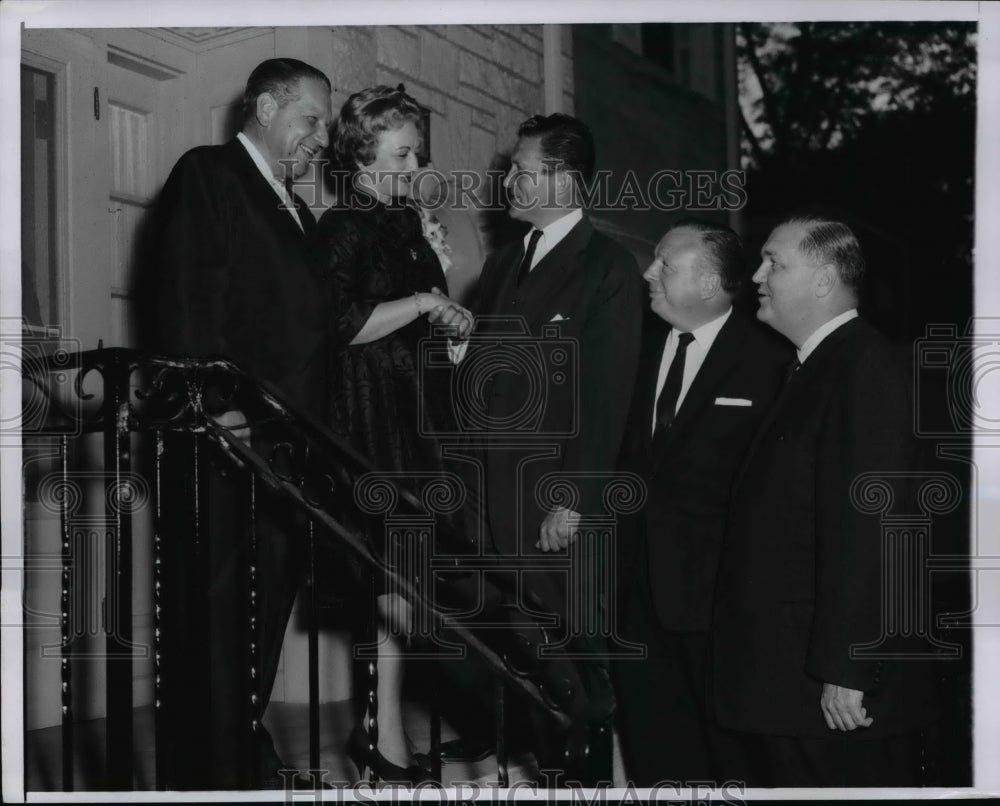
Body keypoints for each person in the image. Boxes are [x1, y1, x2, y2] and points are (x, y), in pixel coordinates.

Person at [151, 57, 333, 789]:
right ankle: (214, 772)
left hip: (287, 453)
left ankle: (240, 759)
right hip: (232, 447)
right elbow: (189, 304)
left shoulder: (294, 208)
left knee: (259, 619)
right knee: (221, 623)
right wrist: (220, 414)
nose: (323, 134)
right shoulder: (210, 175)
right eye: (311, 118)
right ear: (264, 107)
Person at [711, 214, 937, 787]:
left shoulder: (862, 366)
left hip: (832, 694)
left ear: (823, 279)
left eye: (774, 262)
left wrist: (850, 665)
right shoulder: (817, 366)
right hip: (795, 682)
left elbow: (875, 527)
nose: (757, 275)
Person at [456, 113, 644, 771]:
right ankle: (546, 769)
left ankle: (590, 775)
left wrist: (575, 498)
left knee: (570, 651)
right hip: (491, 492)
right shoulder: (506, 261)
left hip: (549, 501)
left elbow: (608, 396)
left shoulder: (609, 268)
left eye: (522, 170)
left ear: (563, 180)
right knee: (518, 650)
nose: (507, 179)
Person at [318, 85, 472, 784]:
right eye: (402, 152)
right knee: (388, 585)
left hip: (418, 424)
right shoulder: (344, 226)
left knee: (407, 584)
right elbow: (341, 324)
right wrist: (420, 302)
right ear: (360, 154)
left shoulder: (409, 227)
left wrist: (455, 323)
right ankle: (380, 740)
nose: (415, 165)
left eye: (419, 152)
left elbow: (429, 324)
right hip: (369, 423)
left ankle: (382, 737)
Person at [613, 220, 790, 786]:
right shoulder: (633, 347)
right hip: (636, 595)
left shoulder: (771, 359)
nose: (649, 273)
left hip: (724, 604)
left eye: (665, 264)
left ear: (712, 283)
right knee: (655, 751)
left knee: (733, 759)